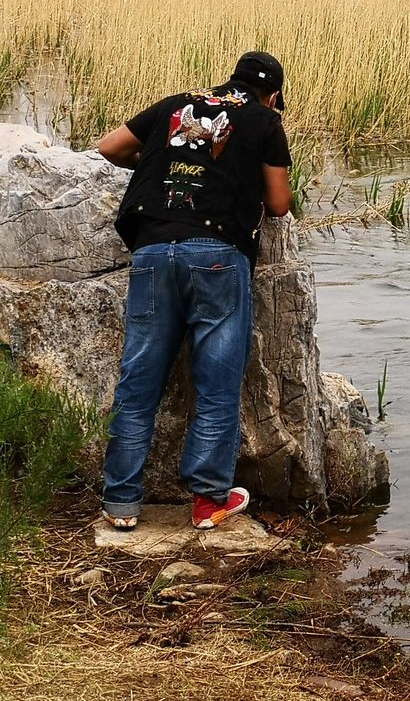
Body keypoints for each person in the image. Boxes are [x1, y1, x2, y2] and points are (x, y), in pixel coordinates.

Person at [96, 51, 293, 531]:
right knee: (217, 384)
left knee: (138, 381)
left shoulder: (175, 104)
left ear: (231, 78)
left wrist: (164, 162)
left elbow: (110, 147)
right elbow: (280, 204)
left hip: (152, 251)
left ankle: (121, 503)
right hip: (217, 257)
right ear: (273, 96)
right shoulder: (264, 121)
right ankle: (208, 503)